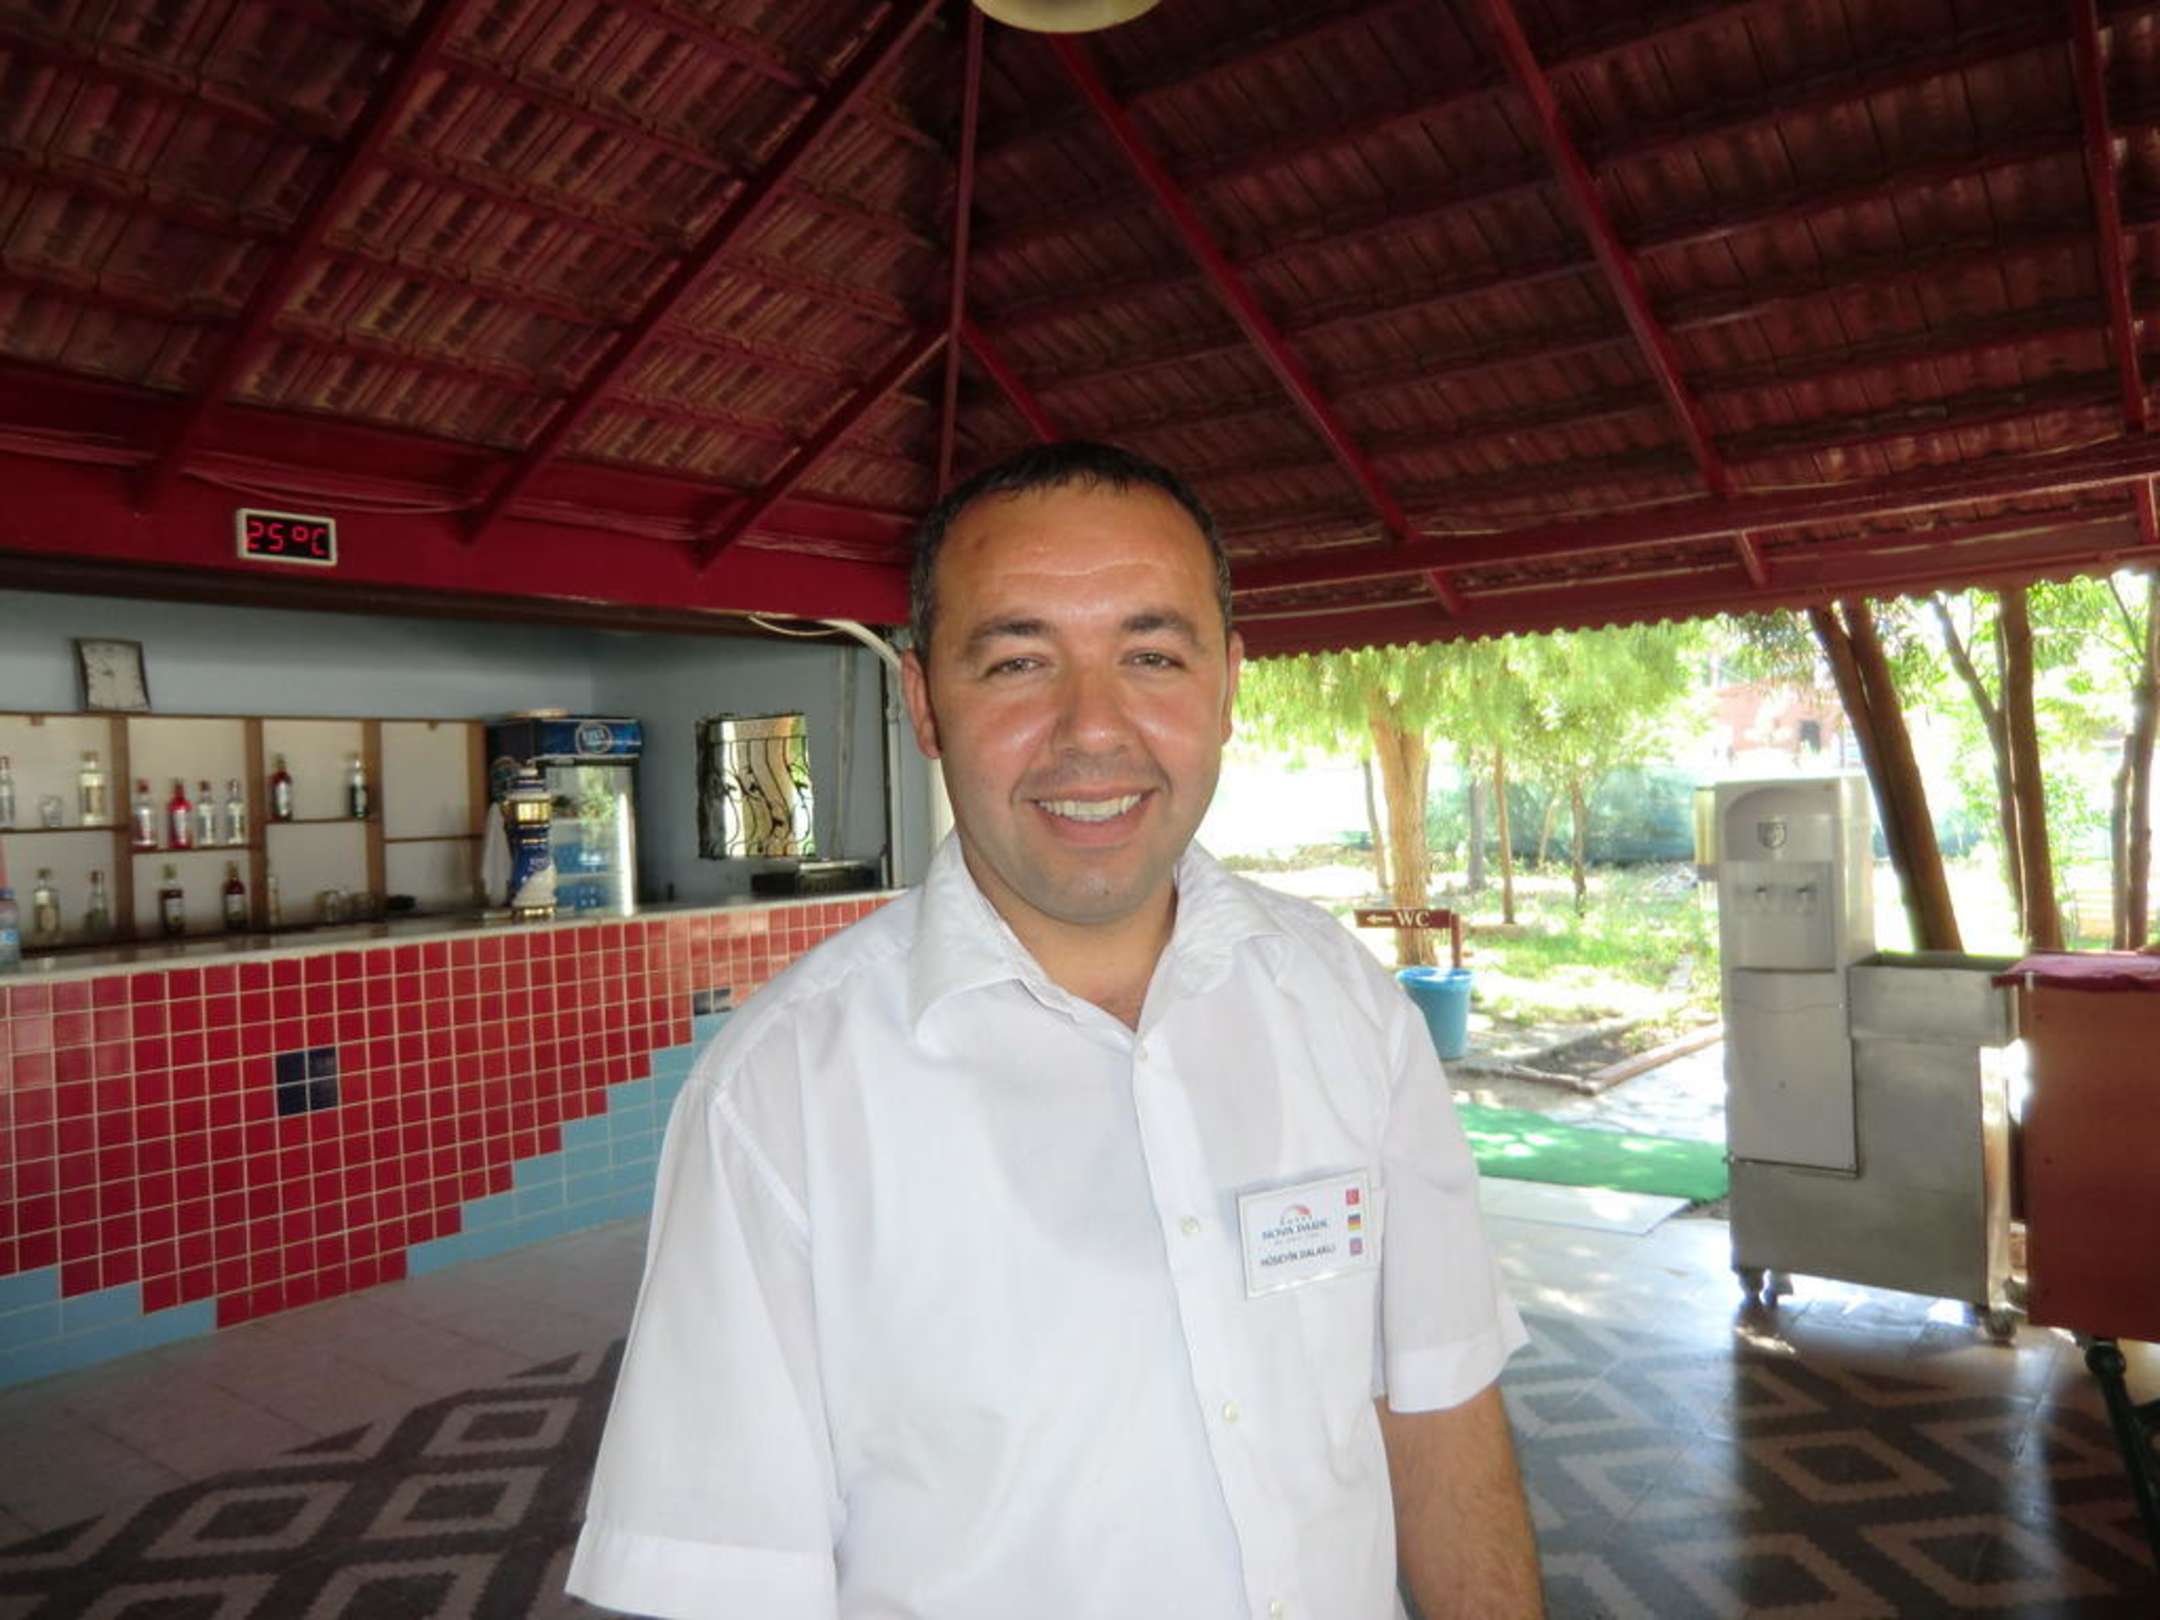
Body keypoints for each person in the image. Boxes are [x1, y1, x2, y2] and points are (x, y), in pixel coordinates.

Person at [566, 442, 1543, 1619]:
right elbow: (729, 1583)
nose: (1092, 730)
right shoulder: (777, 1099)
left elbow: (1441, 1403)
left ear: (1228, 685)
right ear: (925, 703)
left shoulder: (1343, 1004)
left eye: (1151, 656)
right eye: (1019, 662)